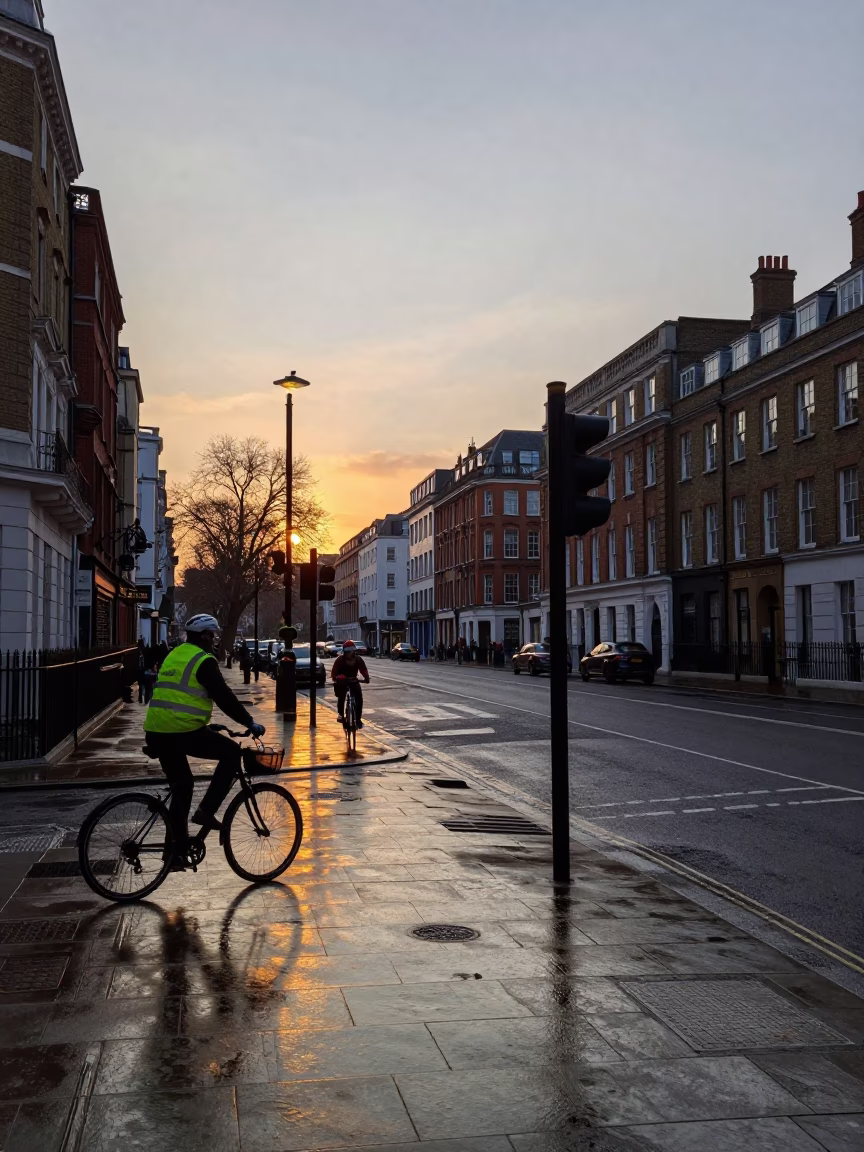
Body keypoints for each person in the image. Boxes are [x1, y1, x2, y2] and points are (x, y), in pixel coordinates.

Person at [143, 613, 266, 867]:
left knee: (183, 787)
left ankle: (174, 853)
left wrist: (207, 724)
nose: (215, 640)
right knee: (233, 754)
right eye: (213, 635)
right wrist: (248, 722)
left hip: (157, 730)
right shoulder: (203, 659)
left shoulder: (175, 653)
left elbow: (178, 698)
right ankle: (206, 811)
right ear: (205, 636)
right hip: (180, 732)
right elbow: (223, 696)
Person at [330, 639, 369, 729]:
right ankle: (341, 714)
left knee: (359, 699)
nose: (349, 654)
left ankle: (358, 719)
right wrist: (337, 678)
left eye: (350, 651)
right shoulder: (339, 660)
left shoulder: (358, 659)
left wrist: (366, 678)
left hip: (353, 680)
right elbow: (334, 672)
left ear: (353, 651)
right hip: (342, 682)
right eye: (347, 652)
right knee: (342, 696)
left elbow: (363, 670)